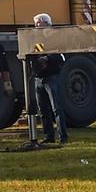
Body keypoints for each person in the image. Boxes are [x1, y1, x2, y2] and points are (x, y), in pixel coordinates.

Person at [30, 13, 68, 146]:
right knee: (43, 109)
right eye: (36, 24)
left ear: (47, 23)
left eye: (39, 23)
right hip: (38, 78)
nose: (36, 26)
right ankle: (49, 136)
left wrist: (47, 59)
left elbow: (62, 56)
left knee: (56, 108)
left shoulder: (55, 38)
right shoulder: (35, 39)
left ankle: (63, 136)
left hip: (51, 77)